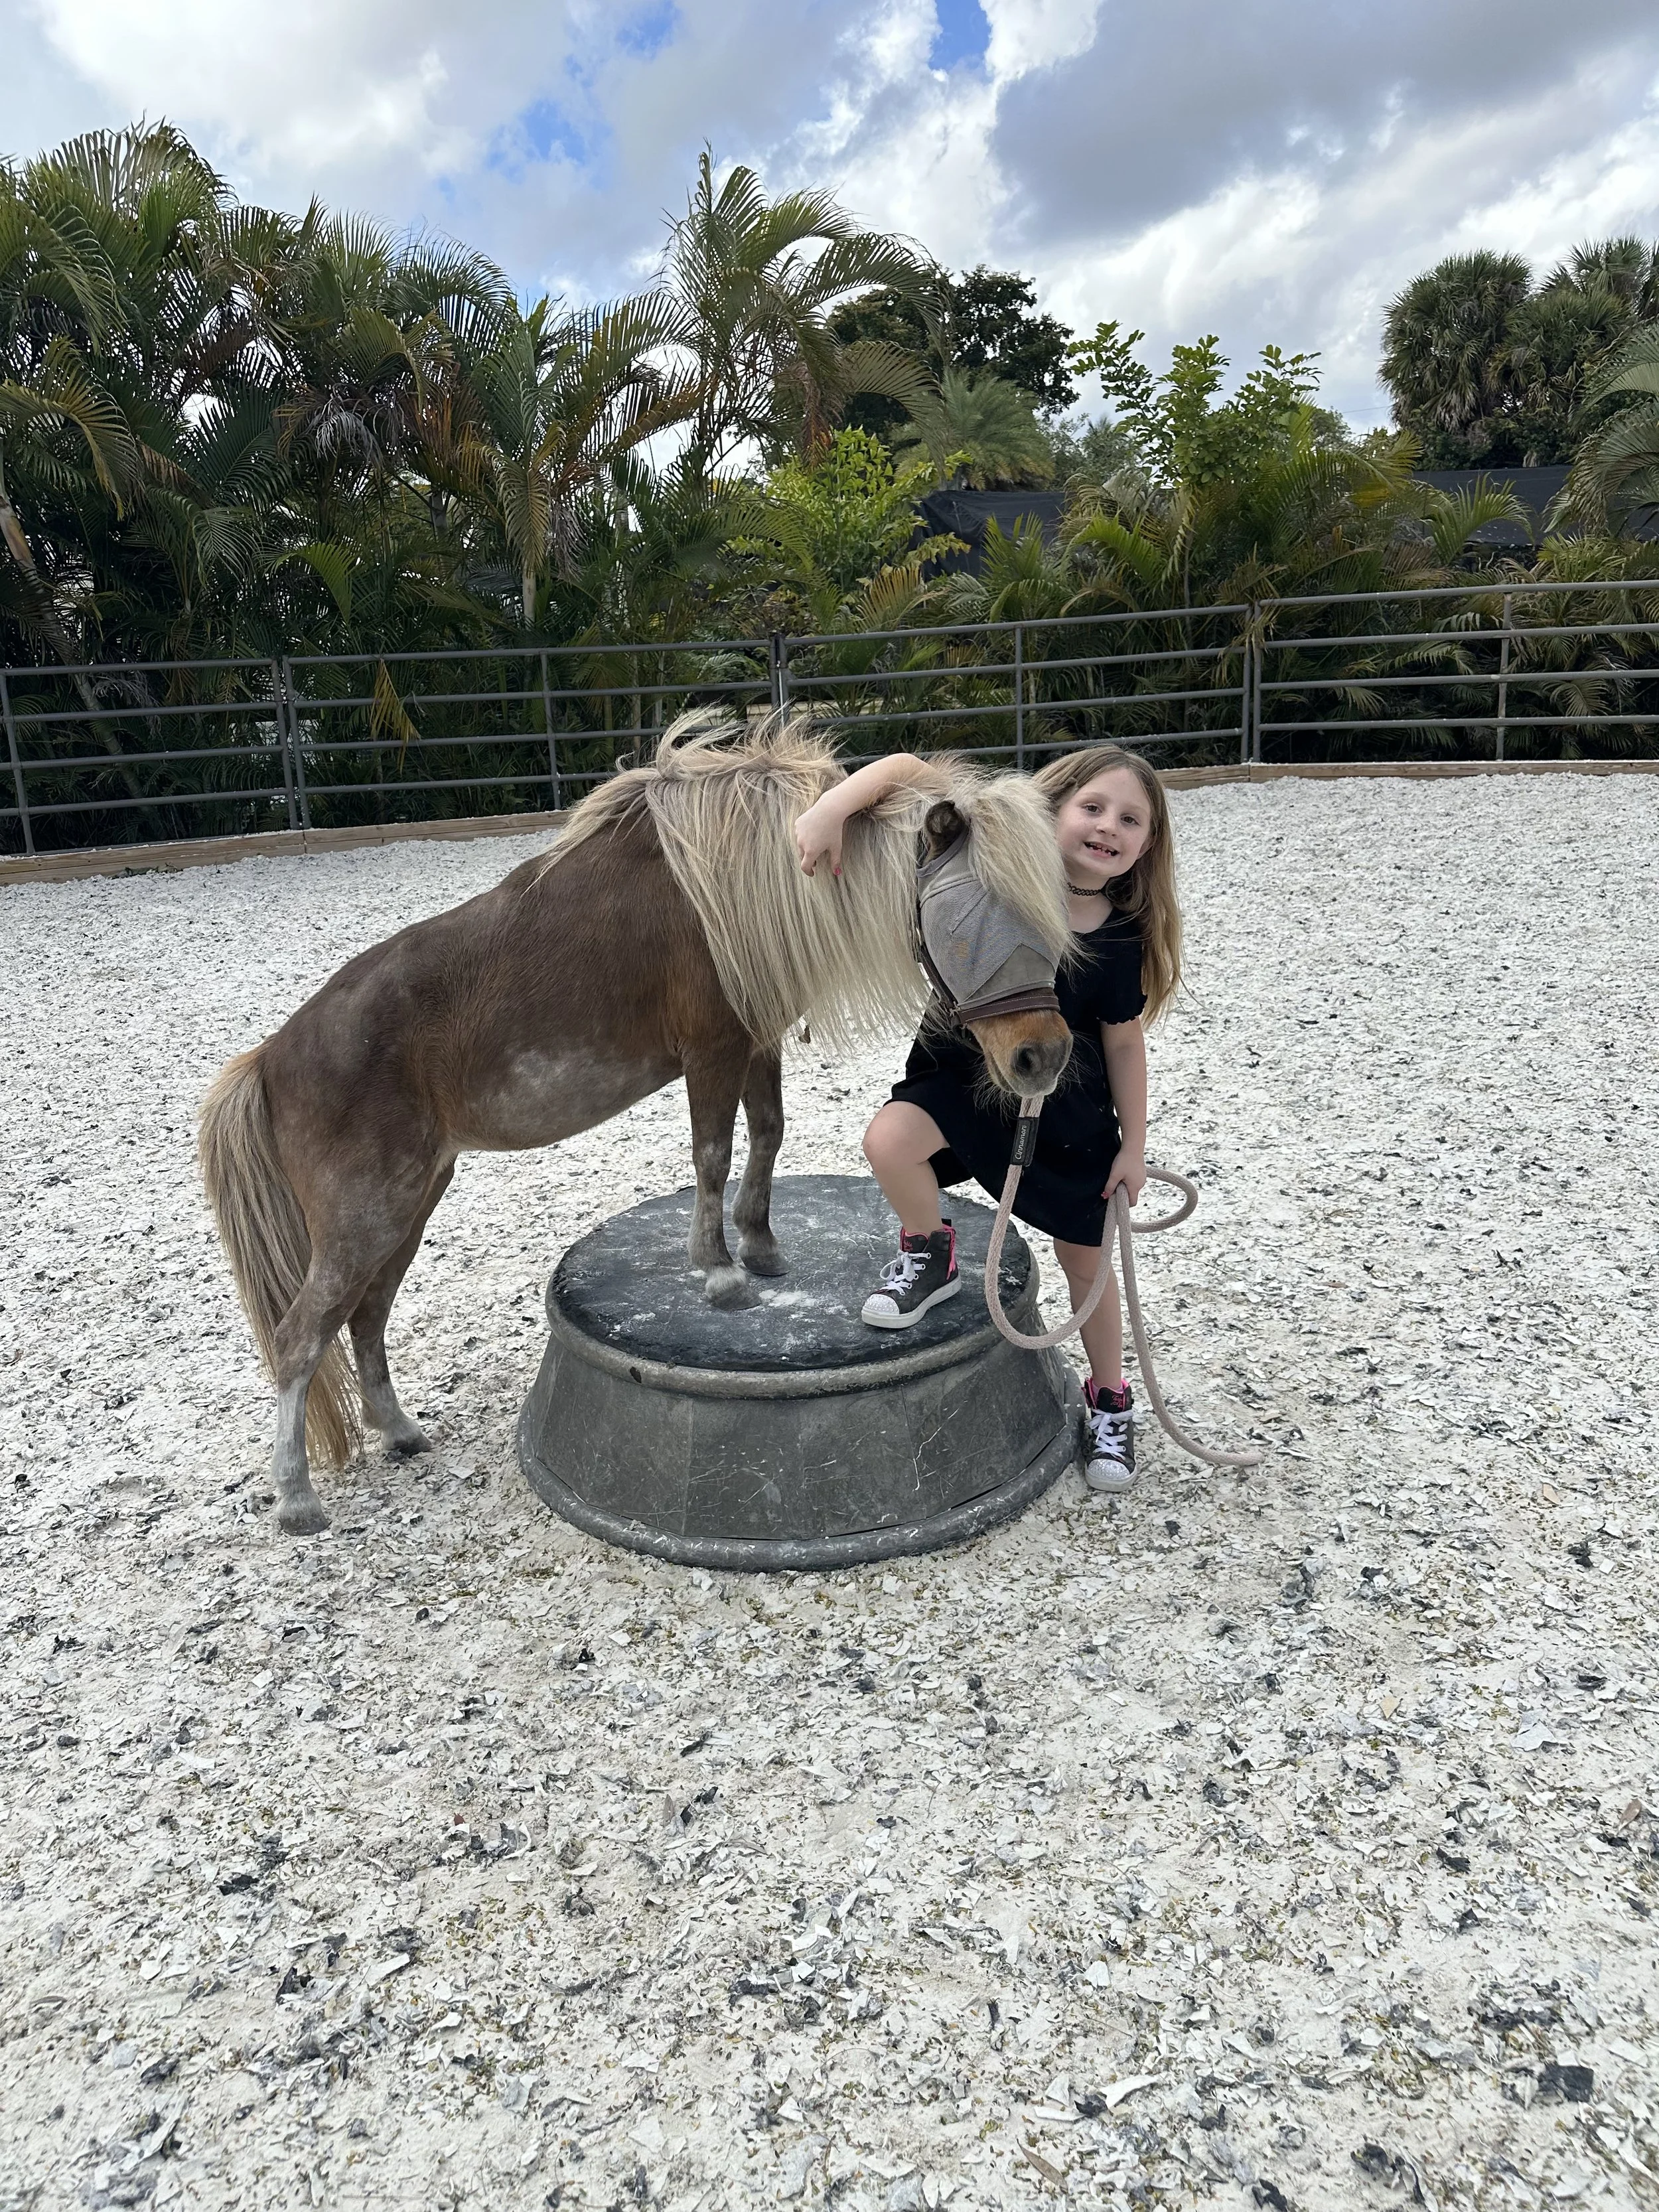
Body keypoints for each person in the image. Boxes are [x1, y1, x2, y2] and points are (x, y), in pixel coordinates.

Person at [792, 744, 1183, 1493]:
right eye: (1092, 808)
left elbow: (1125, 1046)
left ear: (1147, 845)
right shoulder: (996, 869)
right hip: (966, 1082)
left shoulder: (1119, 935)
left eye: (1130, 820)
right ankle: (929, 1253)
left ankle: (1108, 1397)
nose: (1107, 827)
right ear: (1052, 809)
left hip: (1067, 1112)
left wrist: (1133, 1145)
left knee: (1087, 1269)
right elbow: (910, 769)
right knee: (889, 1140)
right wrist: (830, 808)